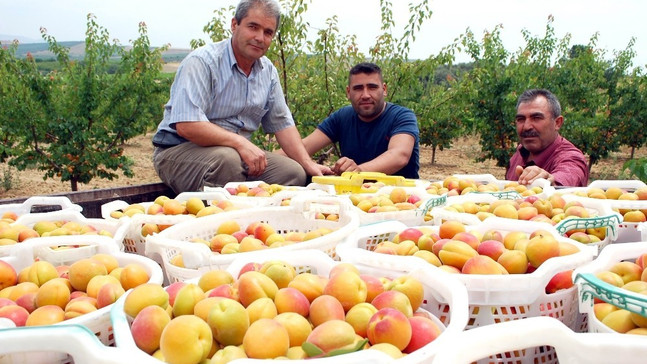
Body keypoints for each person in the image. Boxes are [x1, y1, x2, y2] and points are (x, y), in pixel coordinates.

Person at [151, 0, 332, 193]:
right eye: (253, 27)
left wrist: (307, 163)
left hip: (233, 155)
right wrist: (241, 143)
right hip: (179, 150)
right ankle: (218, 217)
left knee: (293, 172)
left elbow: (282, 123)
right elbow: (187, 125)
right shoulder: (203, 62)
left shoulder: (267, 71)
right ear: (234, 25)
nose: (260, 37)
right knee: (227, 161)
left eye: (268, 32)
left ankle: (257, 218)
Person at [294, 62, 420, 179]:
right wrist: (274, 159)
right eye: (358, 88)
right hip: (352, 196)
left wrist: (358, 170)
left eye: (372, 87)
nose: (365, 95)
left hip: (400, 198)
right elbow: (303, 147)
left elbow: (399, 155)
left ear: (384, 89)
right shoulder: (342, 117)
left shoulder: (402, 116)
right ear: (348, 92)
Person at [505, 88, 589, 187]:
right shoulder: (520, 152)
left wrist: (549, 181)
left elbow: (568, 176)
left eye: (536, 118)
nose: (526, 126)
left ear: (557, 123)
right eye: (521, 119)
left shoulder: (572, 158)